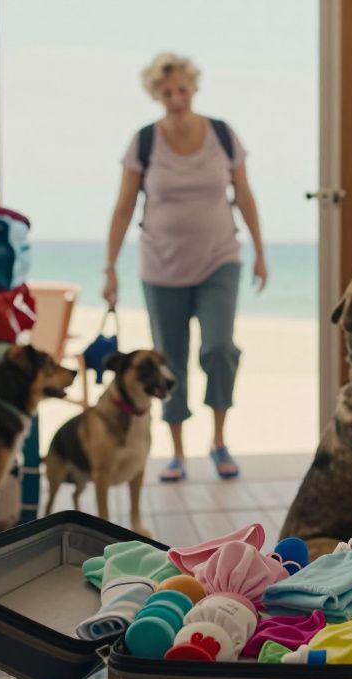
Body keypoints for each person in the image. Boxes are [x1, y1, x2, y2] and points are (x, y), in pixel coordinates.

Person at [103, 52, 267, 481]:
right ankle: (177, 453)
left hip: (220, 258)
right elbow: (123, 208)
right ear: (156, 95)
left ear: (193, 88)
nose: (176, 99)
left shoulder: (221, 134)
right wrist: (109, 267)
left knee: (218, 348)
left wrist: (261, 252)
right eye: (166, 92)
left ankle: (218, 441)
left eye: (182, 90)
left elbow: (245, 196)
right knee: (168, 361)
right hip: (161, 267)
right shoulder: (143, 142)